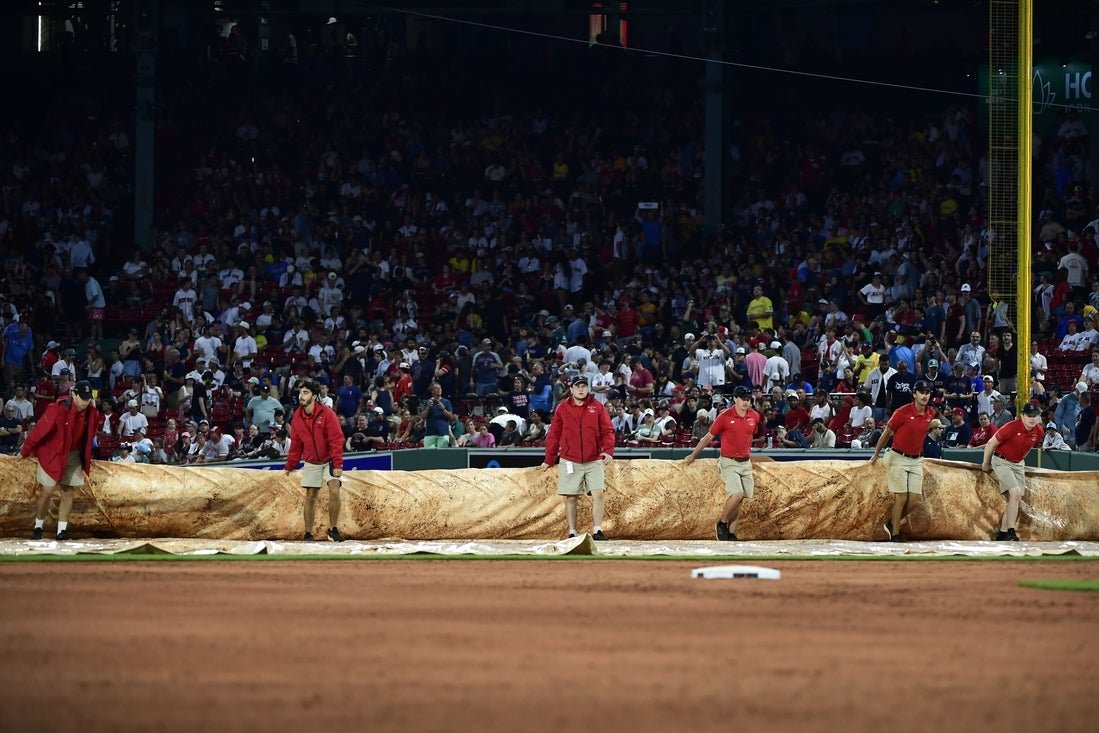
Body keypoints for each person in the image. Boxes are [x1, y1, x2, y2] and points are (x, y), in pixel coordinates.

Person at [19, 381, 99, 541]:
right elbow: (39, 430)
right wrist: (25, 450)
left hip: (74, 454)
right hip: (53, 453)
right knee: (47, 492)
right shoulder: (57, 409)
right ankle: (38, 526)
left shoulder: (91, 413)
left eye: (88, 398)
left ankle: (62, 531)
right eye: (83, 398)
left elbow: (91, 434)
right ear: (74, 395)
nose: (86, 402)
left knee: (68, 491)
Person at [539, 375, 615, 540]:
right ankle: (572, 532)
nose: (581, 389)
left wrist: (608, 451)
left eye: (584, 386)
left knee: (598, 494)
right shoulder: (563, 407)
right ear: (571, 389)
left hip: (594, 458)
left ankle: (597, 530)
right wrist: (549, 459)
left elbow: (607, 430)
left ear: (588, 388)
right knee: (571, 497)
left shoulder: (597, 406)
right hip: (570, 459)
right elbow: (554, 434)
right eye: (578, 386)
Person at [682, 385, 761, 541]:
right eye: (743, 399)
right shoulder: (724, 416)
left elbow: (750, 435)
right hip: (729, 461)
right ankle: (722, 523)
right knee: (737, 493)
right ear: (735, 399)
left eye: (748, 399)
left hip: (745, 462)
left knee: (742, 498)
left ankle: (731, 532)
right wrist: (693, 454)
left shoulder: (754, 416)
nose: (746, 402)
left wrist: (746, 451)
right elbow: (708, 437)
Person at [869, 380, 934, 542]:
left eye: (927, 393)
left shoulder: (930, 413)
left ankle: (892, 522)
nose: (924, 396)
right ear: (914, 394)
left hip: (917, 459)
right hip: (898, 457)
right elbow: (886, 433)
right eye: (921, 392)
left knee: (914, 500)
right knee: (901, 497)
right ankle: (896, 534)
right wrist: (876, 453)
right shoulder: (902, 412)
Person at [283, 380, 346, 542]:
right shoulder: (297, 417)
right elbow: (296, 445)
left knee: (334, 489)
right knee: (310, 495)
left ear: (314, 396)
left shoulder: (327, 414)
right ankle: (308, 533)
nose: (301, 396)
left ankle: (333, 529)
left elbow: (336, 440)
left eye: (305, 392)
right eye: (300, 392)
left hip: (329, 460)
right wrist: (290, 465)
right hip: (311, 461)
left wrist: (337, 464)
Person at [980, 403, 1044, 541]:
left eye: (1035, 416)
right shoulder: (1011, 427)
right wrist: (985, 464)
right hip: (1001, 460)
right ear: (1022, 416)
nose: (1032, 419)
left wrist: (1020, 459)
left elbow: (1029, 447)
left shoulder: (1038, 431)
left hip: (1018, 463)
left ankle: (1002, 533)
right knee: (1015, 493)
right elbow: (991, 443)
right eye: (1029, 416)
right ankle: (1011, 532)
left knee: (1017, 497)